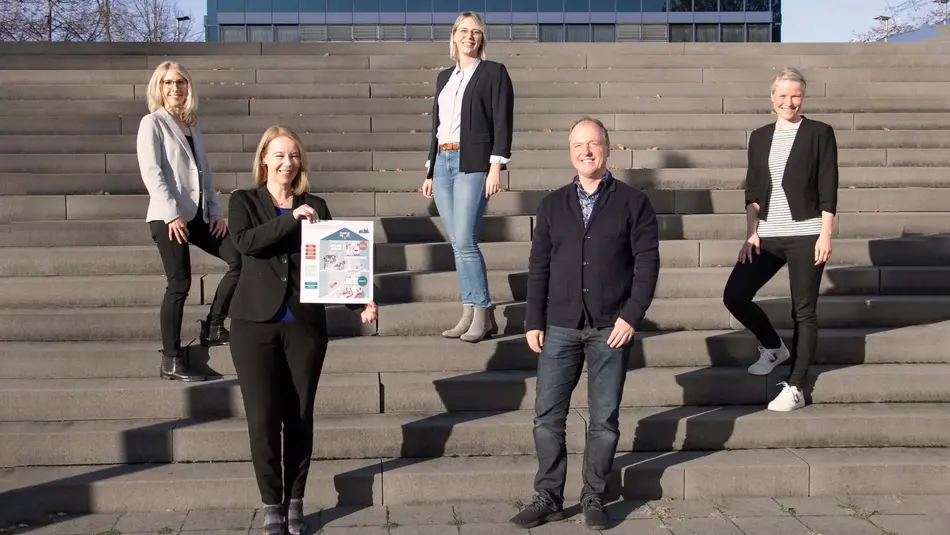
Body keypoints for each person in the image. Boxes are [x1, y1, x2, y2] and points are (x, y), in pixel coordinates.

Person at [510, 117, 660, 530]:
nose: (586, 151)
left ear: (608, 149)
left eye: (593, 144)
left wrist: (631, 315)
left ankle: (594, 496)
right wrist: (533, 319)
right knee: (546, 418)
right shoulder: (552, 205)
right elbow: (539, 266)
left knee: (604, 421)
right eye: (578, 145)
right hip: (559, 324)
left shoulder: (633, 202)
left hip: (611, 326)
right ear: (570, 152)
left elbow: (647, 264)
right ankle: (549, 497)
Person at [228, 125, 377, 535]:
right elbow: (246, 243)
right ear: (264, 160)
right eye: (278, 155)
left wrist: (359, 299)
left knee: (298, 417)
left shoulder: (317, 205)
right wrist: (292, 220)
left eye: (293, 156)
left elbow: (334, 263)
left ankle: (294, 501)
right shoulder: (244, 202)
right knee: (262, 420)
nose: (287, 163)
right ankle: (270, 505)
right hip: (253, 327)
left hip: (304, 328)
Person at [723, 67, 838, 412]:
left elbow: (828, 186)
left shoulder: (819, 133)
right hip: (768, 235)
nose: (789, 102)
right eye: (783, 95)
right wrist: (751, 233)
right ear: (772, 98)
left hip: (806, 234)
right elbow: (754, 190)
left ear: (803, 97)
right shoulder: (760, 137)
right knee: (735, 295)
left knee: (803, 310)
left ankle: (797, 386)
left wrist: (825, 234)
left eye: (796, 95)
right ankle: (773, 347)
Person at [137, 61, 241, 382]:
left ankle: (214, 325)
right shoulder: (152, 123)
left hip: (198, 214)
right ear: (159, 87)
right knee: (179, 283)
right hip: (168, 216)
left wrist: (215, 211)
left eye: (180, 82)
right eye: (168, 82)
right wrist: (172, 213)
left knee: (239, 258)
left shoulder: (191, 125)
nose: (175, 88)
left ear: (188, 87)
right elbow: (152, 173)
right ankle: (171, 359)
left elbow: (203, 172)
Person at [420, 10, 514, 343]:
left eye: (475, 32)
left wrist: (496, 166)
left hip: (473, 161)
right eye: (463, 31)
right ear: (454, 35)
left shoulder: (493, 72)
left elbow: (502, 121)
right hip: (442, 163)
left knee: (464, 241)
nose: (469, 37)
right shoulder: (443, 77)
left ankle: (483, 310)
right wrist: (430, 169)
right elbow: (436, 125)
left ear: (481, 38)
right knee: (458, 242)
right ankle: (469, 310)